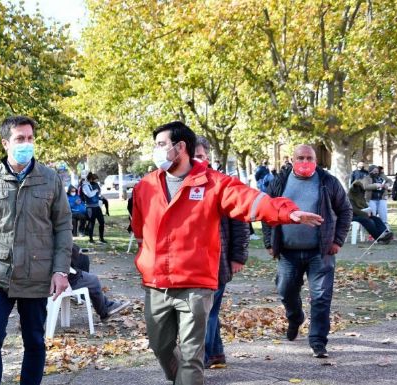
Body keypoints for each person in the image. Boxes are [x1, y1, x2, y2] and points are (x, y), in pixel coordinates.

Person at [131, 121, 322, 385]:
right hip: (156, 284)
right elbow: (141, 230)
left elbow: (251, 201)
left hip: (195, 285)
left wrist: (287, 212)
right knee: (160, 347)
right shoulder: (146, 186)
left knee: (191, 356)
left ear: (180, 147)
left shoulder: (214, 184)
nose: (156, 150)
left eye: (161, 144)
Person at [0, 115, 72, 385]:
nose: (27, 143)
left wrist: (60, 270)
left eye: (30, 138)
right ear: (5, 143)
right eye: (20, 139)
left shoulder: (50, 179)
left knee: (34, 341)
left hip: (37, 275)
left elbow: (63, 227)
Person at [262, 144, 352, 360]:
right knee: (285, 291)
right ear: (292, 160)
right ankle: (295, 317)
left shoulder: (328, 182)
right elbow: (267, 211)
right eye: (300, 158)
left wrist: (338, 240)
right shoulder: (279, 182)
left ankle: (318, 342)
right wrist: (269, 242)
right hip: (288, 252)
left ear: (316, 160)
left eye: (309, 158)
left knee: (321, 298)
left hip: (320, 252)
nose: (305, 162)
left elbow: (345, 210)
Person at [193, 136, 250, 368]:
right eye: (193, 156)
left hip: (218, 261)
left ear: (208, 157)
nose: (197, 160)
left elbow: (241, 222)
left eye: (201, 156)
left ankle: (204, 357)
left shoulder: (222, 184)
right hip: (193, 262)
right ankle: (216, 354)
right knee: (207, 311)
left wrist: (238, 256)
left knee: (206, 312)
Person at [69, 244, 131, 321]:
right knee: (93, 280)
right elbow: (63, 244)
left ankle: (104, 304)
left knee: (83, 259)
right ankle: (104, 310)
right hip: (60, 275)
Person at [82, 172, 106, 243]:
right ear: (91, 179)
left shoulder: (95, 185)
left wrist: (99, 196)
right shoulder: (85, 186)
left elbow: (98, 194)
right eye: (95, 179)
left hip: (97, 207)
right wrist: (95, 191)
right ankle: (91, 239)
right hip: (90, 208)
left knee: (102, 222)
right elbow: (89, 195)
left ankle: (101, 238)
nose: (96, 181)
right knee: (91, 223)